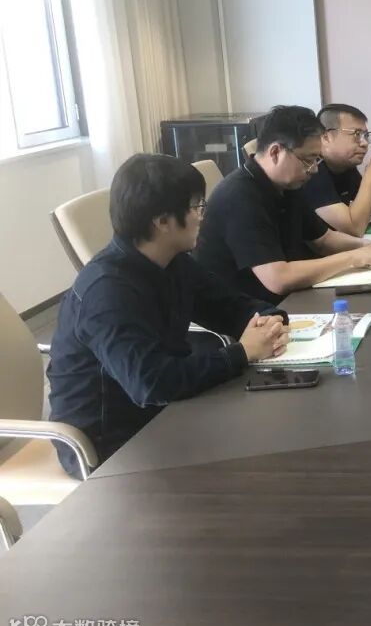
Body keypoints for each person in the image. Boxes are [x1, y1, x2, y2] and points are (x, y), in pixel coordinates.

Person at [47, 154, 290, 478]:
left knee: (270, 432)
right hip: (111, 445)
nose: (203, 216)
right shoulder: (107, 292)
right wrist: (242, 352)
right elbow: (151, 384)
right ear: (162, 221)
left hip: (161, 413)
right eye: (196, 207)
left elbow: (227, 306)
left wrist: (270, 319)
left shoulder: (172, 261)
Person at [195, 105, 371, 304]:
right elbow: (278, 278)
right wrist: (352, 258)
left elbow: (323, 240)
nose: (314, 170)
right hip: (245, 311)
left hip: (285, 301)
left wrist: (366, 246)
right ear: (275, 152)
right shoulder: (239, 197)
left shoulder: (287, 185)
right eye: (308, 160)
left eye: (317, 160)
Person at [302, 103, 371, 236]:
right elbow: (354, 229)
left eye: (366, 135)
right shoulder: (312, 170)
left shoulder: (345, 166)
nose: (364, 143)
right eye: (356, 134)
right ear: (325, 137)